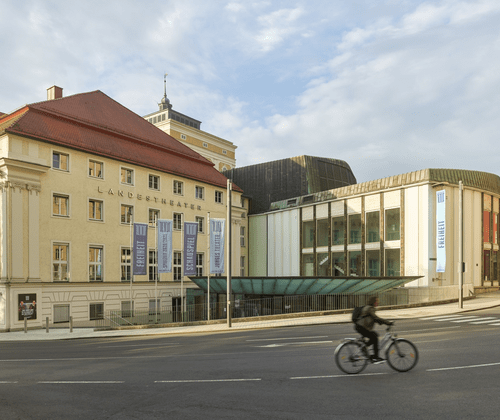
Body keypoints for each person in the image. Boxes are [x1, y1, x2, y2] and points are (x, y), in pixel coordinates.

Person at [355, 296, 393, 363]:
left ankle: (365, 347)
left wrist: (382, 322)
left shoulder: (368, 307)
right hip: (361, 327)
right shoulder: (370, 308)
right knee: (374, 337)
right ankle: (375, 357)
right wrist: (387, 323)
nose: (377, 303)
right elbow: (376, 318)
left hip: (359, 326)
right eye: (376, 301)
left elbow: (374, 319)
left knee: (374, 335)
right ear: (373, 302)